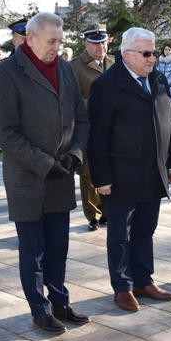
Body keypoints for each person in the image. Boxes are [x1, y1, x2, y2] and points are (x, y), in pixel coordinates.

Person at [0, 12, 90, 335]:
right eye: (51, 41)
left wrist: (74, 154)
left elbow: (81, 119)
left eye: (60, 41)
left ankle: (59, 301)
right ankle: (39, 309)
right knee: (33, 250)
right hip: (29, 178)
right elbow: (6, 134)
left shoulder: (64, 69)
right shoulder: (6, 73)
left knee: (58, 247)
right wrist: (47, 164)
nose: (57, 48)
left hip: (61, 175)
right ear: (30, 39)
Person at [88, 27, 171, 312]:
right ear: (127, 55)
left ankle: (143, 279)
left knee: (146, 229)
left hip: (154, 171)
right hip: (122, 174)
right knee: (120, 235)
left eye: (153, 52)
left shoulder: (158, 78)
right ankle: (123, 286)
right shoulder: (105, 85)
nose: (152, 58)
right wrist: (101, 177)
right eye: (146, 53)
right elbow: (97, 135)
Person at [71, 24, 114, 231]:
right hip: (89, 127)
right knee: (88, 173)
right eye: (96, 43)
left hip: (113, 128)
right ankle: (93, 214)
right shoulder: (75, 66)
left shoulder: (116, 62)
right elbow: (73, 99)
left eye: (103, 43)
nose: (101, 47)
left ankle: (107, 210)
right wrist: (98, 102)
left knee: (111, 167)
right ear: (86, 44)